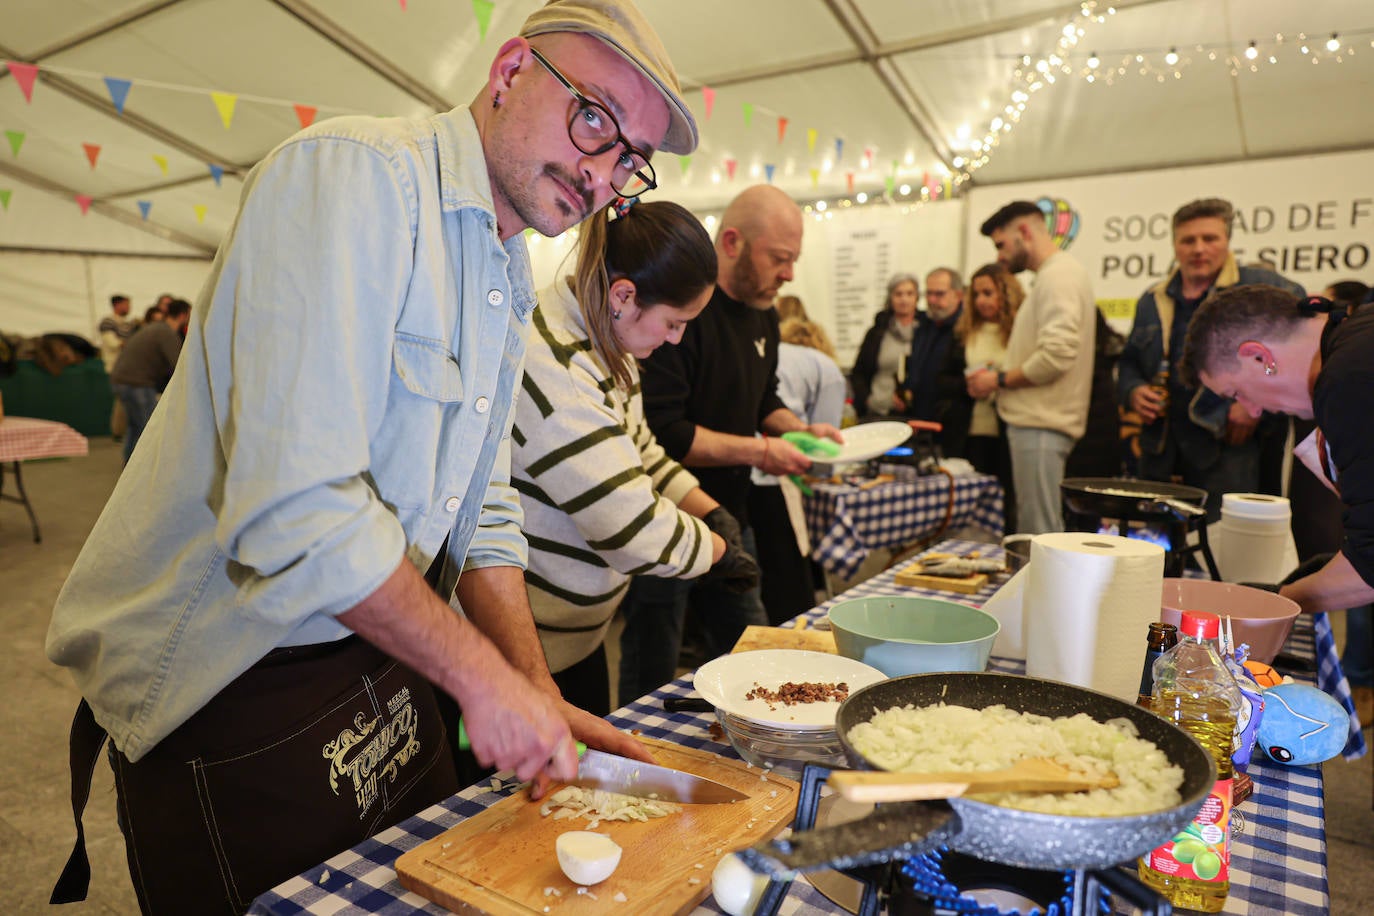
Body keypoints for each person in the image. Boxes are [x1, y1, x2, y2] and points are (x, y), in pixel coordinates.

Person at [45, 2, 696, 910]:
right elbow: (295, 509)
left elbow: (484, 500)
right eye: (596, 118)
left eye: (630, 158)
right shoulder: (354, 179)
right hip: (229, 671)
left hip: (381, 645)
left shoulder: (507, 269)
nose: (602, 173)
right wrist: (479, 680)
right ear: (510, 72)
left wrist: (531, 689)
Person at [514, 200, 758, 716]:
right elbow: (630, 530)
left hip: (576, 641)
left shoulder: (605, 338)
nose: (677, 339)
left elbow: (641, 449)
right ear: (624, 295)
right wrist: (716, 552)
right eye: (674, 323)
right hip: (524, 655)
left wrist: (709, 509)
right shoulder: (558, 365)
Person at [618, 184, 842, 703]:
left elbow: (764, 397)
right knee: (654, 653)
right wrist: (763, 452)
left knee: (752, 646)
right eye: (779, 259)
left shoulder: (764, 312)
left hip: (731, 513)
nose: (787, 274)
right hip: (667, 512)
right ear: (734, 242)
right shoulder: (682, 309)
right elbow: (666, 433)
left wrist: (799, 430)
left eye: (793, 261)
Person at [1182, 285, 1373, 724]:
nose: (1251, 410)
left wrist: (1274, 603)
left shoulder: (1348, 378)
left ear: (1258, 356)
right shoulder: (1356, 334)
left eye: (1237, 394)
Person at [1117, 198, 1303, 520]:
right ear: (1175, 245)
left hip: (1229, 449)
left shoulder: (1263, 289)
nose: (1199, 248)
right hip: (1160, 451)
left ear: (1227, 241)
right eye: (1188, 240)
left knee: (1224, 551)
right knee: (1152, 548)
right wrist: (1134, 391)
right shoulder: (1152, 299)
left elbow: (1297, 354)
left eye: (1210, 238)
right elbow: (1129, 361)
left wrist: (1256, 402)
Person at [969, 200, 1097, 534]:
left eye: (1001, 244)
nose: (999, 255)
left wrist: (998, 379)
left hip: (1042, 424)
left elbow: (1056, 354)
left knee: (1040, 532)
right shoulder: (1053, 276)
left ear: (1024, 232)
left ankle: (1045, 589)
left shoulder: (1059, 275)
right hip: (1038, 423)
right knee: (1036, 526)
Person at [749, 316, 846, 623]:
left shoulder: (780, 352)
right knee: (788, 580)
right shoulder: (830, 371)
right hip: (771, 468)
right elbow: (825, 443)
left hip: (743, 467)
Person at [937, 264, 1020, 522]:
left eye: (988, 293)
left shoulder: (1019, 331)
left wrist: (998, 381)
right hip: (968, 431)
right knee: (969, 508)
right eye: (976, 294)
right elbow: (942, 380)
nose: (981, 300)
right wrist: (969, 385)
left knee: (1007, 505)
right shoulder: (963, 332)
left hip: (1008, 430)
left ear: (1005, 294)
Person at [108, 298, 191, 462]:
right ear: (182, 315)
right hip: (137, 384)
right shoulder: (167, 333)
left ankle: (130, 468)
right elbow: (180, 365)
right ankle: (145, 472)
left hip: (123, 381)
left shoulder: (156, 328)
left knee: (135, 428)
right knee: (150, 431)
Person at [849, 272, 920, 419]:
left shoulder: (926, 331)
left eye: (909, 293)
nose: (904, 299)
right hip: (878, 409)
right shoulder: (877, 332)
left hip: (915, 412)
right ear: (890, 298)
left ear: (917, 297)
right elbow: (859, 372)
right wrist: (867, 400)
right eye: (898, 294)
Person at [900, 267, 964, 428]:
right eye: (928, 293)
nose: (932, 300)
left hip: (950, 422)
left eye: (939, 294)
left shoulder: (965, 330)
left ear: (958, 295)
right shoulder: (924, 327)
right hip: (919, 417)